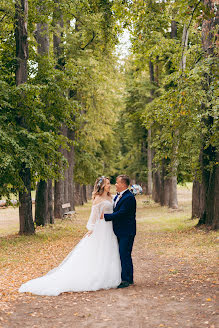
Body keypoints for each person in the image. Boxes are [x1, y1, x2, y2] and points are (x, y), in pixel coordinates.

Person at [19, 177, 121, 296]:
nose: (110, 185)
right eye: (108, 184)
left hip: (110, 228)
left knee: (109, 251)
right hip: (102, 229)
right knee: (99, 251)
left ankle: (108, 275)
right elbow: (93, 217)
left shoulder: (111, 197)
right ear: (102, 186)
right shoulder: (98, 199)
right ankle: (97, 276)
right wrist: (91, 229)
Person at [104, 175, 136, 288]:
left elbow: (121, 213)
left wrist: (105, 216)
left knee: (124, 254)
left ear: (123, 184)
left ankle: (126, 280)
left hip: (127, 231)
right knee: (124, 254)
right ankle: (129, 278)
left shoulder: (129, 197)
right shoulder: (118, 196)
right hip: (120, 231)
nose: (115, 184)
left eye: (117, 183)